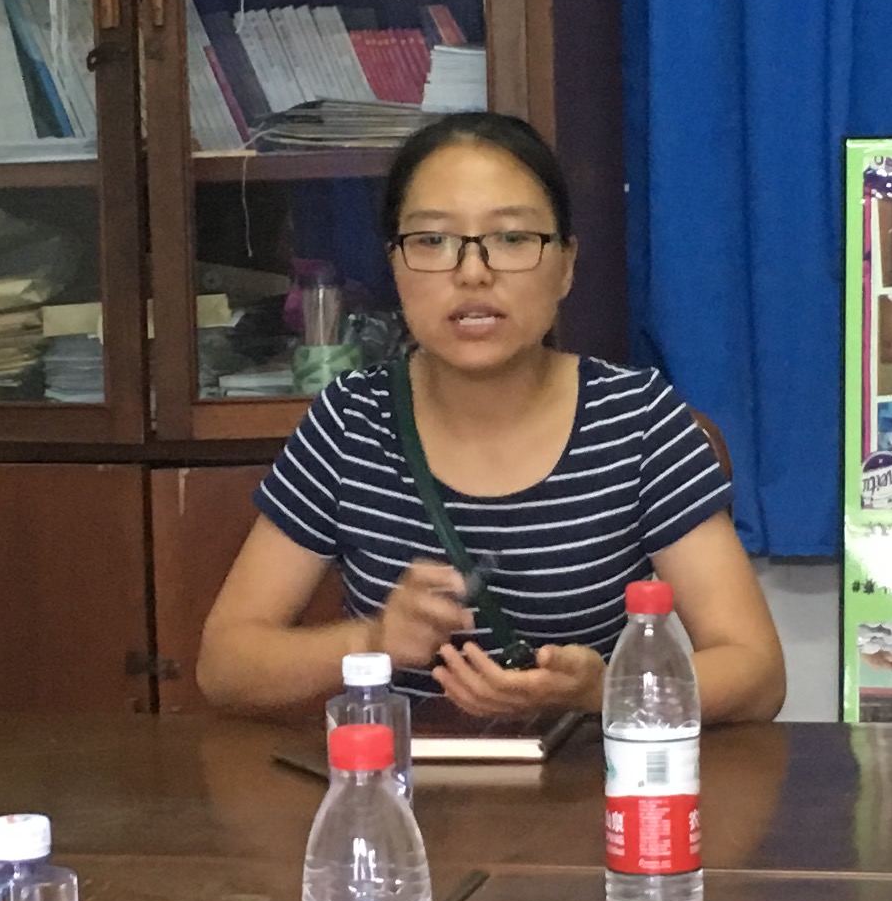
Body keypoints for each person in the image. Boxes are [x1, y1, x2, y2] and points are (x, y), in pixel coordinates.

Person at [193, 112, 783, 721]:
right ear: (395, 264)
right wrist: (371, 640)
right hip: (402, 775)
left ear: (566, 265)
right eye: (432, 241)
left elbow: (756, 671)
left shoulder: (638, 421)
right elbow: (226, 664)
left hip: (583, 775)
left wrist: (603, 690)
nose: (472, 272)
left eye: (512, 238)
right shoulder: (351, 422)